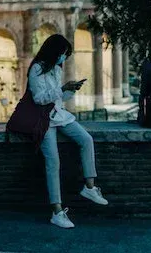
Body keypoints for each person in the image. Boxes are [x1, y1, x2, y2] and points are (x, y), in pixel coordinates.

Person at [28, 34, 109, 229]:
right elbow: (39, 99)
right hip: (43, 118)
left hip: (58, 115)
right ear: (54, 51)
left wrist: (70, 90)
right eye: (63, 53)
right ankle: (57, 210)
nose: (64, 57)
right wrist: (61, 89)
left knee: (86, 139)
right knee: (53, 161)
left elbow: (57, 99)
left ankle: (89, 187)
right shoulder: (36, 68)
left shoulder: (56, 69)